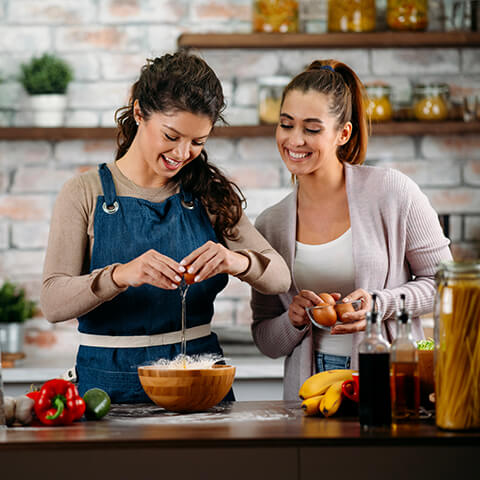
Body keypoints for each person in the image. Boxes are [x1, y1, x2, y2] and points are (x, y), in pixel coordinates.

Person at [40, 51, 291, 403]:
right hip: (106, 390)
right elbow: (52, 302)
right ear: (139, 112)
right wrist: (120, 275)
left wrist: (237, 261)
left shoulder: (208, 193)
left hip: (201, 387)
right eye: (171, 135)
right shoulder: (84, 192)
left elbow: (280, 278)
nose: (183, 152)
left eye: (198, 142)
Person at [250, 59, 452, 401]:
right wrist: (294, 320)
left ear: (343, 133)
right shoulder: (270, 223)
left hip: (388, 375)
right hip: (309, 387)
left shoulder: (393, 192)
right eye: (286, 124)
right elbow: (265, 338)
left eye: (312, 129)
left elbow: (443, 285)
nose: (294, 140)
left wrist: (380, 303)